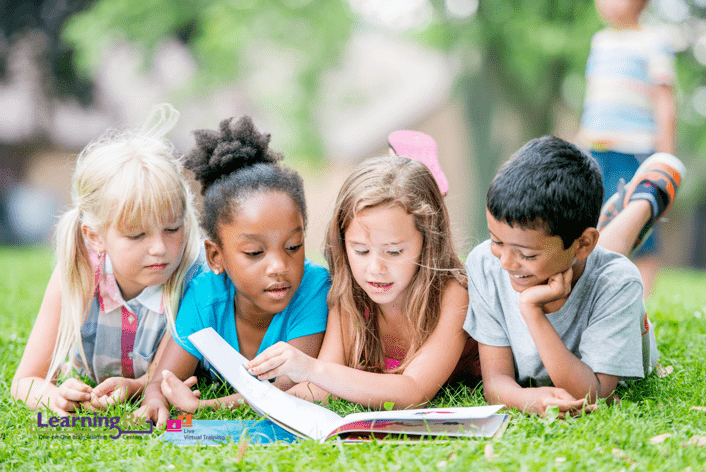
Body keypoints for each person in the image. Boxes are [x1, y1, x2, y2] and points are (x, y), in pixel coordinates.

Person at [464, 136, 684, 418]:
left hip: (593, 259)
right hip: (579, 247)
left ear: (582, 243)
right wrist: (524, 398)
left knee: (602, 262)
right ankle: (612, 217)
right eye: (496, 241)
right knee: (595, 254)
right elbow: (495, 380)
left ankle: (645, 199)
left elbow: (594, 394)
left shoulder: (617, 282)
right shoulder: (485, 264)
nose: (505, 263)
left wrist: (532, 311)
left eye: (526, 254)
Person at [244, 154, 481, 409]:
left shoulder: (452, 293)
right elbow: (322, 387)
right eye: (360, 251)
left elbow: (414, 391)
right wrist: (236, 402)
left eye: (394, 252)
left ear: (428, 242)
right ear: (343, 242)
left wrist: (311, 368)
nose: (376, 269)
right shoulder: (350, 295)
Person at [12, 105, 204, 415]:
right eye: (137, 235)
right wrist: (55, 397)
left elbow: (165, 378)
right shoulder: (77, 274)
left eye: (172, 228)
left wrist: (136, 387)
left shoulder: (193, 279)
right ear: (95, 236)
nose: (159, 248)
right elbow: (26, 380)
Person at [138, 116, 330, 426]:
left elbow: (284, 388)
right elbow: (164, 377)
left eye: (293, 246)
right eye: (255, 253)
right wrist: (155, 398)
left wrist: (205, 408)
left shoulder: (313, 288)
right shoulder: (205, 294)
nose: (280, 266)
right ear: (215, 256)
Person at [577, 0, 677, 297]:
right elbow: (592, 99)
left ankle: (644, 302)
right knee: (597, 223)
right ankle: (600, 295)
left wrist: (665, 159)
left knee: (640, 222)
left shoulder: (654, 41)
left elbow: (664, 102)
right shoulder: (600, 42)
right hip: (596, 149)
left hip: (635, 149)